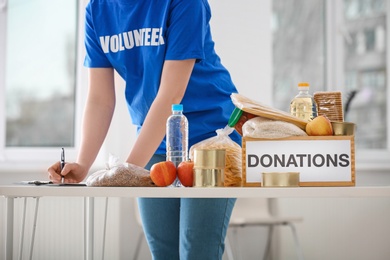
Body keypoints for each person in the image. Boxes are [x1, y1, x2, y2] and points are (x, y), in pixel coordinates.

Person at [48, 0, 241, 259]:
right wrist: (83, 164)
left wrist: (126, 171)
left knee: (197, 251)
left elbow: (171, 94)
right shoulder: (97, 10)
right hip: (156, 142)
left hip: (213, 140)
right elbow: (100, 99)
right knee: (163, 252)